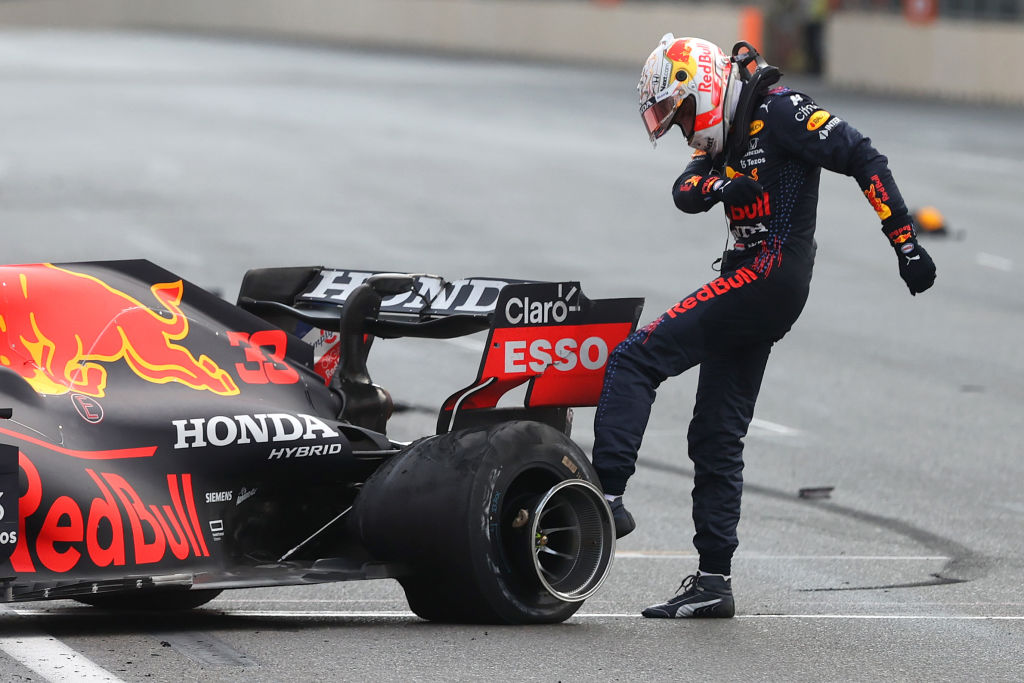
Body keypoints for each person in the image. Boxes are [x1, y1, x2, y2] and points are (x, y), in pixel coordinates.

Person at [592, 34, 936, 619]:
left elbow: (862, 155)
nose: (681, 130)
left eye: (679, 116)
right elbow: (684, 190)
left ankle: (604, 499)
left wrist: (903, 240)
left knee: (635, 357)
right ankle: (712, 581)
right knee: (715, 433)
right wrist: (722, 184)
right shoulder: (728, 126)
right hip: (753, 282)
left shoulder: (780, 111)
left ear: (699, 86)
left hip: (768, 275)